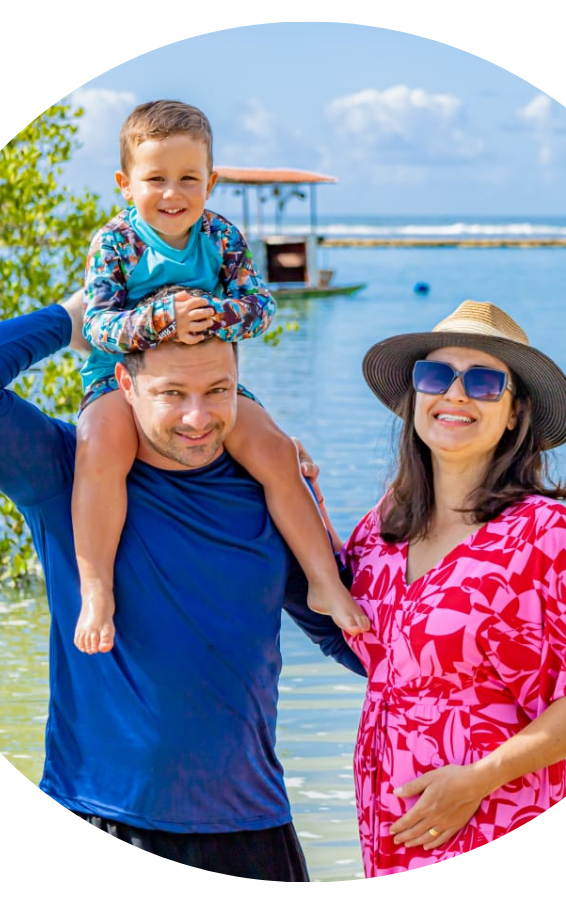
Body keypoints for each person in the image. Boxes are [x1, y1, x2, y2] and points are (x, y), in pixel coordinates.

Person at [0, 292, 366, 880]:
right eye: (171, 394)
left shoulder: (271, 493)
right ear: (125, 385)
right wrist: (75, 318)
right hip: (96, 816)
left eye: (217, 390)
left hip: (252, 831)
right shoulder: (63, 477)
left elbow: (349, 638)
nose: (197, 418)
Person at [327, 300, 566, 876]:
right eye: (435, 376)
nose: (455, 395)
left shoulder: (543, 532)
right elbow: (340, 613)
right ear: (415, 396)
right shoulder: (383, 525)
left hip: (500, 819)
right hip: (390, 826)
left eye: (484, 383)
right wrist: (288, 482)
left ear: (515, 413)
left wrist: (477, 779)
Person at [72, 99, 369, 654]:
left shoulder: (222, 237)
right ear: (125, 184)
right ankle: (97, 590)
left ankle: (324, 581)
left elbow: (261, 307)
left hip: (208, 382)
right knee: (98, 451)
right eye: (155, 179)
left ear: (210, 183)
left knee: (276, 452)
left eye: (189, 178)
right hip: (119, 379)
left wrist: (213, 314)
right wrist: (162, 320)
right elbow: (98, 325)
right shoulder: (115, 242)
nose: (173, 193)